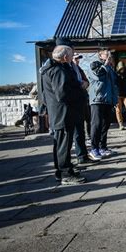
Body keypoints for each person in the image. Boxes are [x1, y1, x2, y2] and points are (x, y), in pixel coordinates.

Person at [40, 45, 86, 185]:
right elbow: (63, 94)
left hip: (60, 113)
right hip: (63, 113)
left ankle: (61, 171)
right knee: (63, 145)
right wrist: (81, 88)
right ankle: (65, 173)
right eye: (71, 55)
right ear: (65, 57)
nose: (72, 58)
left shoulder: (51, 68)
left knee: (61, 144)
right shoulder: (58, 70)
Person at [88, 48, 119, 160]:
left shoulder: (110, 68)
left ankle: (102, 147)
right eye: (107, 54)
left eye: (110, 54)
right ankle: (94, 149)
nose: (110, 56)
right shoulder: (94, 65)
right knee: (96, 124)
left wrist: (114, 99)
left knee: (105, 125)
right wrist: (106, 65)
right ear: (100, 55)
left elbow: (113, 84)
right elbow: (98, 75)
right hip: (97, 99)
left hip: (108, 100)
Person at [71, 52, 95, 164]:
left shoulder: (79, 69)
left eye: (78, 58)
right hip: (75, 101)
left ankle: (84, 153)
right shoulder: (70, 69)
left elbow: (86, 82)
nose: (77, 60)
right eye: (75, 58)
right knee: (77, 129)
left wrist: (84, 84)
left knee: (86, 122)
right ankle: (80, 155)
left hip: (83, 98)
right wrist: (82, 84)